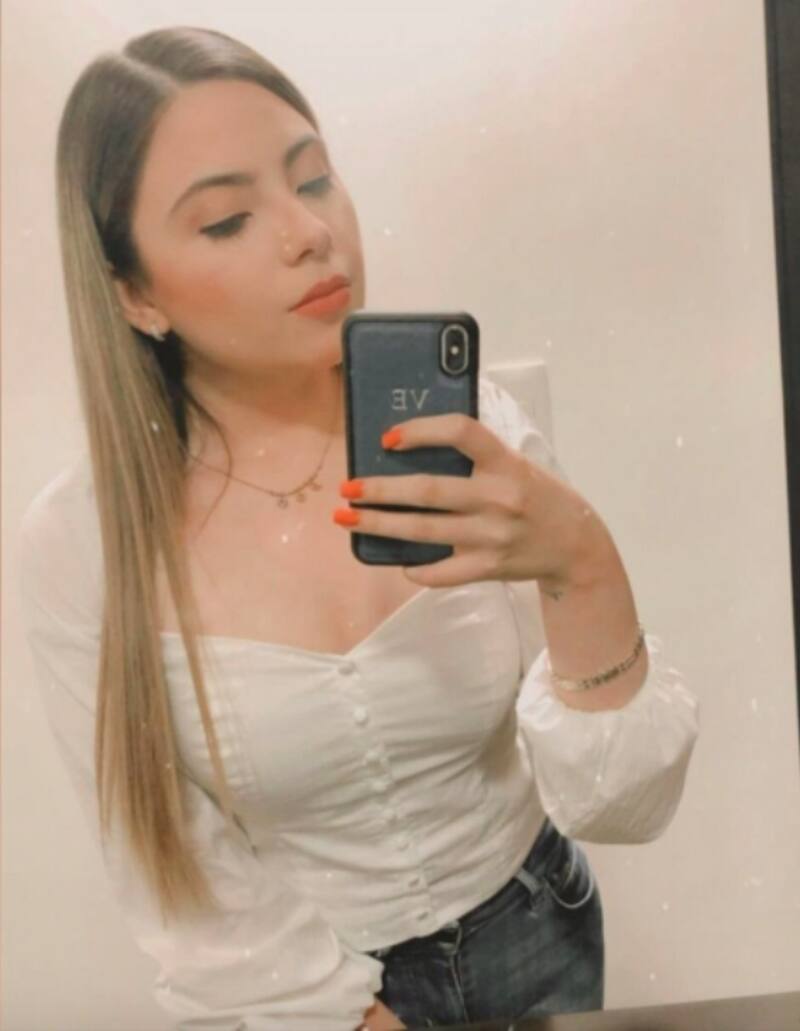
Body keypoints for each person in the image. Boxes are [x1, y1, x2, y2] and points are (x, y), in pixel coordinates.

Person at [14, 25, 700, 1031]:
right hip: (299, 1001)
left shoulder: (467, 435)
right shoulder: (81, 544)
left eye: (314, 179)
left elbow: (625, 805)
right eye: (226, 220)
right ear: (136, 295)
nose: (309, 231)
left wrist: (582, 561)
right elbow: (176, 875)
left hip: (541, 935)